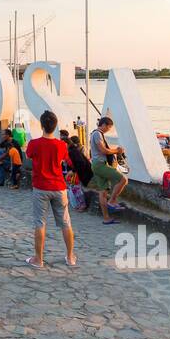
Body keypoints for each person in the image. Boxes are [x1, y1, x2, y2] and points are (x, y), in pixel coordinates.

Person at [24, 110, 77, 267]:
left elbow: (28, 155)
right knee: (66, 223)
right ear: (55, 126)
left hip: (40, 187)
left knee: (40, 223)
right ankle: (70, 257)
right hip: (59, 187)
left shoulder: (34, 144)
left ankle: (38, 259)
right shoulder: (61, 145)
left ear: (41, 125)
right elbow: (66, 161)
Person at [89, 116, 127, 224]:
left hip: (96, 164)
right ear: (104, 125)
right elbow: (103, 150)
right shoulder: (97, 134)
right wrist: (117, 150)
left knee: (103, 192)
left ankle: (106, 218)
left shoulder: (95, 134)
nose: (108, 130)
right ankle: (112, 201)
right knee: (123, 180)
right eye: (109, 127)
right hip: (100, 165)